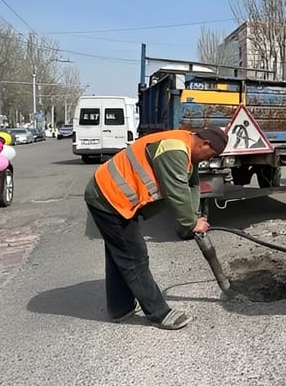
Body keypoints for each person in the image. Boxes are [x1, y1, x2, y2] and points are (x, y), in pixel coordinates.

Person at [85, 127, 228, 330]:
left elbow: (192, 184)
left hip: (113, 196)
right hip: (109, 198)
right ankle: (158, 313)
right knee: (135, 257)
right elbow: (177, 192)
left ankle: (120, 307)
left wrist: (194, 218)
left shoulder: (186, 145)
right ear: (204, 144)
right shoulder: (175, 150)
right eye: (211, 155)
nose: (207, 160)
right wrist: (190, 223)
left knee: (120, 254)